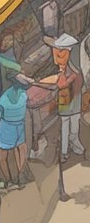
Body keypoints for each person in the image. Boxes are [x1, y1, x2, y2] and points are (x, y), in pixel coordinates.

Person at [0, 60, 32, 190]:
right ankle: (20, 178)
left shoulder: (3, 99)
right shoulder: (24, 96)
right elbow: (30, 83)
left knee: (3, 157)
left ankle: (8, 180)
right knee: (21, 150)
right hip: (19, 126)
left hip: (6, 128)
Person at [50, 33, 84, 163]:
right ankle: (65, 150)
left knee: (73, 122)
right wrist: (70, 78)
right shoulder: (64, 63)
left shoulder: (72, 60)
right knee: (67, 123)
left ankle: (73, 144)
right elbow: (62, 83)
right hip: (66, 96)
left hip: (73, 96)